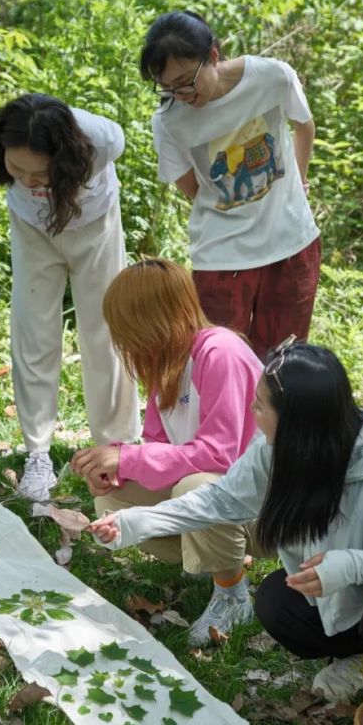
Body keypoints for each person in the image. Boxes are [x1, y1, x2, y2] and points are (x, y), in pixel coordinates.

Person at [90, 339, 363, 699]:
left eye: (261, 404)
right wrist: (133, 523)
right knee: (278, 602)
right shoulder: (278, 448)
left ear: (298, 420)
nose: (252, 410)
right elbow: (218, 500)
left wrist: (351, 565)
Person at [71, 258, 265, 645]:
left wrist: (127, 457)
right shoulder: (168, 365)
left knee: (194, 487)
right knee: (113, 499)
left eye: (127, 325)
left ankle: (232, 594)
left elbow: (220, 456)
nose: (122, 338)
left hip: (270, 504)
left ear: (152, 318)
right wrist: (115, 471)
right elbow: (159, 448)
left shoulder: (218, 351)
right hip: (231, 496)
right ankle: (213, 561)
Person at [0, 94, 139, 502]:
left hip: (95, 225)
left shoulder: (101, 139)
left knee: (106, 330)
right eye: (16, 169)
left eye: (39, 172)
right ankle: (37, 453)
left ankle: (115, 449)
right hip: (32, 231)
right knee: (34, 330)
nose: (27, 180)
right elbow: (0, 167)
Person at [139, 10, 321, 360]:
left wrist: (299, 181)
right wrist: (234, 200)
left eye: (185, 80)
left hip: (291, 241)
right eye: (168, 87)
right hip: (221, 257)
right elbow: (192, 188)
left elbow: (304, 126)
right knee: (219, 360)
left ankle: (271, 419)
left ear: (212, 56)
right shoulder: (168, 121)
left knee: (284, 361)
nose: (181, 94)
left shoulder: (270, 77)